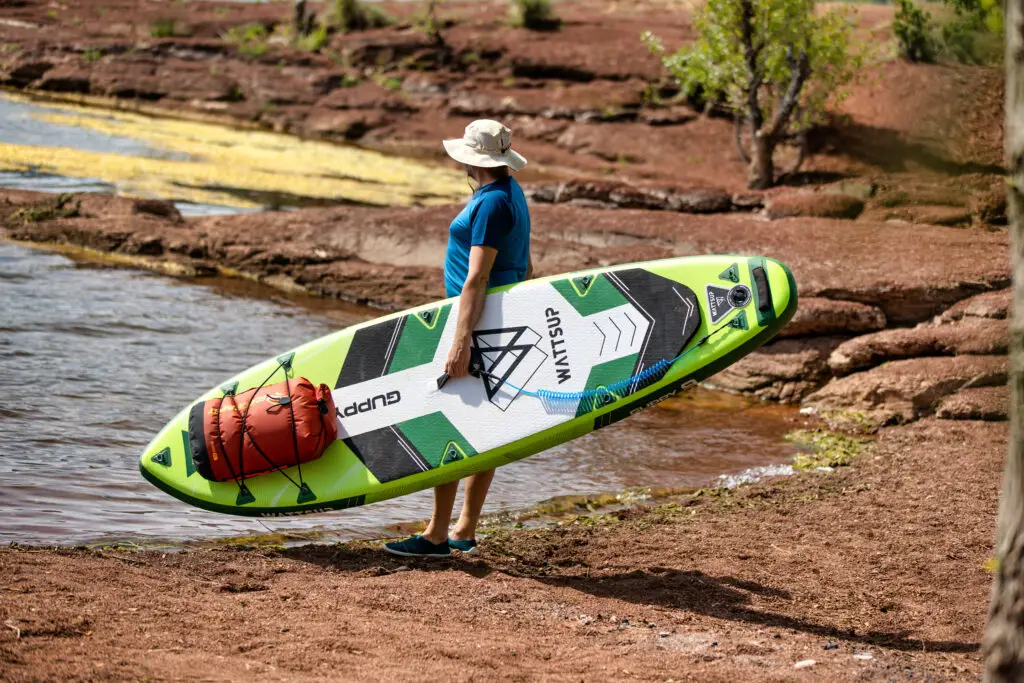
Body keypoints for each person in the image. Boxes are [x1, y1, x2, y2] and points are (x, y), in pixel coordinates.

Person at [384, 119, 532, 558]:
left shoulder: (491, 204)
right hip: (496, 318)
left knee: (444, 423)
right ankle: (463, 529)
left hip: (478, 321)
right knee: (481, 425)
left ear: (472, 160)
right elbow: (524, 264)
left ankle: (435, 535)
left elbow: (476, 278)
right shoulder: (510, 194)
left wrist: (460, 341)